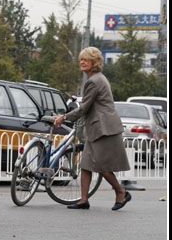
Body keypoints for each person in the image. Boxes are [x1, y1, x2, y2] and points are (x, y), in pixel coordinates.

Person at [54, 46, 131, 211]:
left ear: (94, 62)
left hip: (103, 128)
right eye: (81, 59)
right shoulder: (98, 78)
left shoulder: (94, 81)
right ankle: (83, 200)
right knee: (87, 164)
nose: (82, 62)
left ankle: (121, 191)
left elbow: (84, 108)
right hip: (99, 127)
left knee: (100, 165)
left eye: (86, 59)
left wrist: (64, 117)